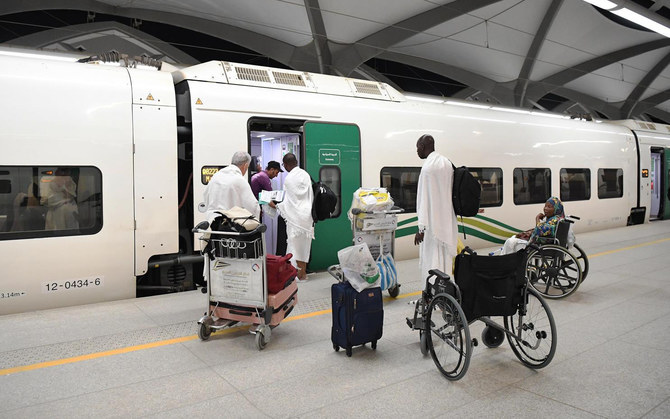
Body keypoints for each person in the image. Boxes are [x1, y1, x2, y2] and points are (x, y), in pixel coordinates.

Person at [413, 134, 458, 283]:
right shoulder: (446, 163)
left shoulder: (427, 168)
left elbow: (424, 200)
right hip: (446, 222)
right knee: (444, 261)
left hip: (432, 227)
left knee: (432, 262)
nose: (417, 151)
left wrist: (421, 229)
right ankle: (445, 293)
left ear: (423, 147)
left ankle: (432, 295)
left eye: (417, 148)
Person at [270, 153, 314, 281]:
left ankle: (294, 276)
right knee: (304, 248)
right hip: (307, 218)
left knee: (294, 248)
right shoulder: (305, 174)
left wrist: (275, 206)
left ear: (287, 164)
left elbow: (289, 203)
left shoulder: (289, 179)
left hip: (295, 221)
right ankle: (303, 274)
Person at [203, 151, 260, 223]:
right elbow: (253, 206)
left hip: (212, 223)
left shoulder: (216, 176)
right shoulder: (239, 180)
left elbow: (205, 196)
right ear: (245, 165)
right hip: (230, 226)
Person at [501, 196, 565, 254]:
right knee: (513, 239)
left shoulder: (554, 219)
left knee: (510, 241)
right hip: (540, 244)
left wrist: (537, 219)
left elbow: (540, 230)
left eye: (549, 207)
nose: (545, 208)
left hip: (537, 245)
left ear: (557, 209)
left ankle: (505, 262)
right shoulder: (557, 218)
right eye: (545, 206)